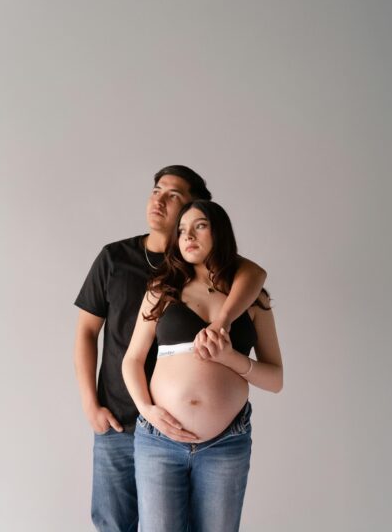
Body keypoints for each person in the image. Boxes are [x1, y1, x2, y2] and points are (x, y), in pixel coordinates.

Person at [74, 166, 267, 532]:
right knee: (114, 524)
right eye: (156, 189)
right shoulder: (115, 258)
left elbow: (256, 275)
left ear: (198, 210)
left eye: (174, 195)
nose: (159, 199)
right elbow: (86, 332)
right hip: (120, 415)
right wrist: (90, 403)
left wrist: (221, 324)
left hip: (192, 430)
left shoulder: (199, 265)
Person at [122, 200, 283, 532]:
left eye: (200, 226)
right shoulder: (162, 289)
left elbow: (275, 378)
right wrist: (146, 410)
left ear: (219, 231)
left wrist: (232, 359)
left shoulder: (254, 299)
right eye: (181, 230)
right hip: (159, 440)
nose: (188, 236)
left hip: (226, 444)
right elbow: (133, 360)